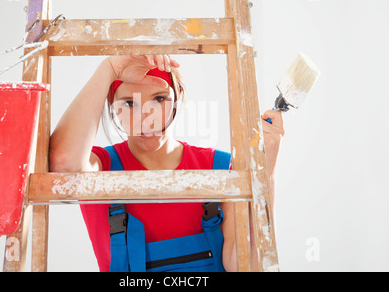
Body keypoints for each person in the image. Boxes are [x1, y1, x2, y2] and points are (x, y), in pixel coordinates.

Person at [49, 54, 285, 272]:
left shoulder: (220, 168)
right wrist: (108, 69)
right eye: (129, 103)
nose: (146, 117)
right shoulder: (101, 167)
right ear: (112, 106)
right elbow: (63, 164)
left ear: (178, 97)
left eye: (159, 98)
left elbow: (247, 266)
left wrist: (266, 171)